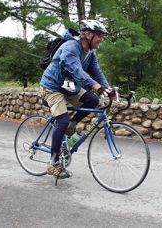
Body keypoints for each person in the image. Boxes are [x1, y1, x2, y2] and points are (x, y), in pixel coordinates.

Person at [40, 19, 112, 178]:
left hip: (70, 88)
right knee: (62, 120)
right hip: (52, 88)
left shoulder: (91, 53)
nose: (102, 39)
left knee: (92, 100)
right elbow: (75, 70)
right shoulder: (71, 47)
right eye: (99, 35)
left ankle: (72, 124)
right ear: (88, 35)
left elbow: (97, 73)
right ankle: (53, 163)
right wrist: (94, 85)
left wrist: (106, 88)